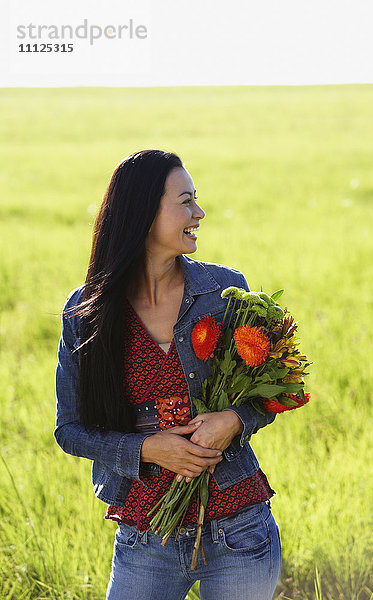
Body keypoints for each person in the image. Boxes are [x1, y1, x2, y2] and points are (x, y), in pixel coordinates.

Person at [54, 150, 281, 600]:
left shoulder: (224, 290)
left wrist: (234, 420)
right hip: (146, 538)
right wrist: (147, 448)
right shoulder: (88, 312)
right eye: (185, 201)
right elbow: (70, 431)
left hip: (240, 528)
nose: (199, 213)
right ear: (144, 213)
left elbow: (267, 390)